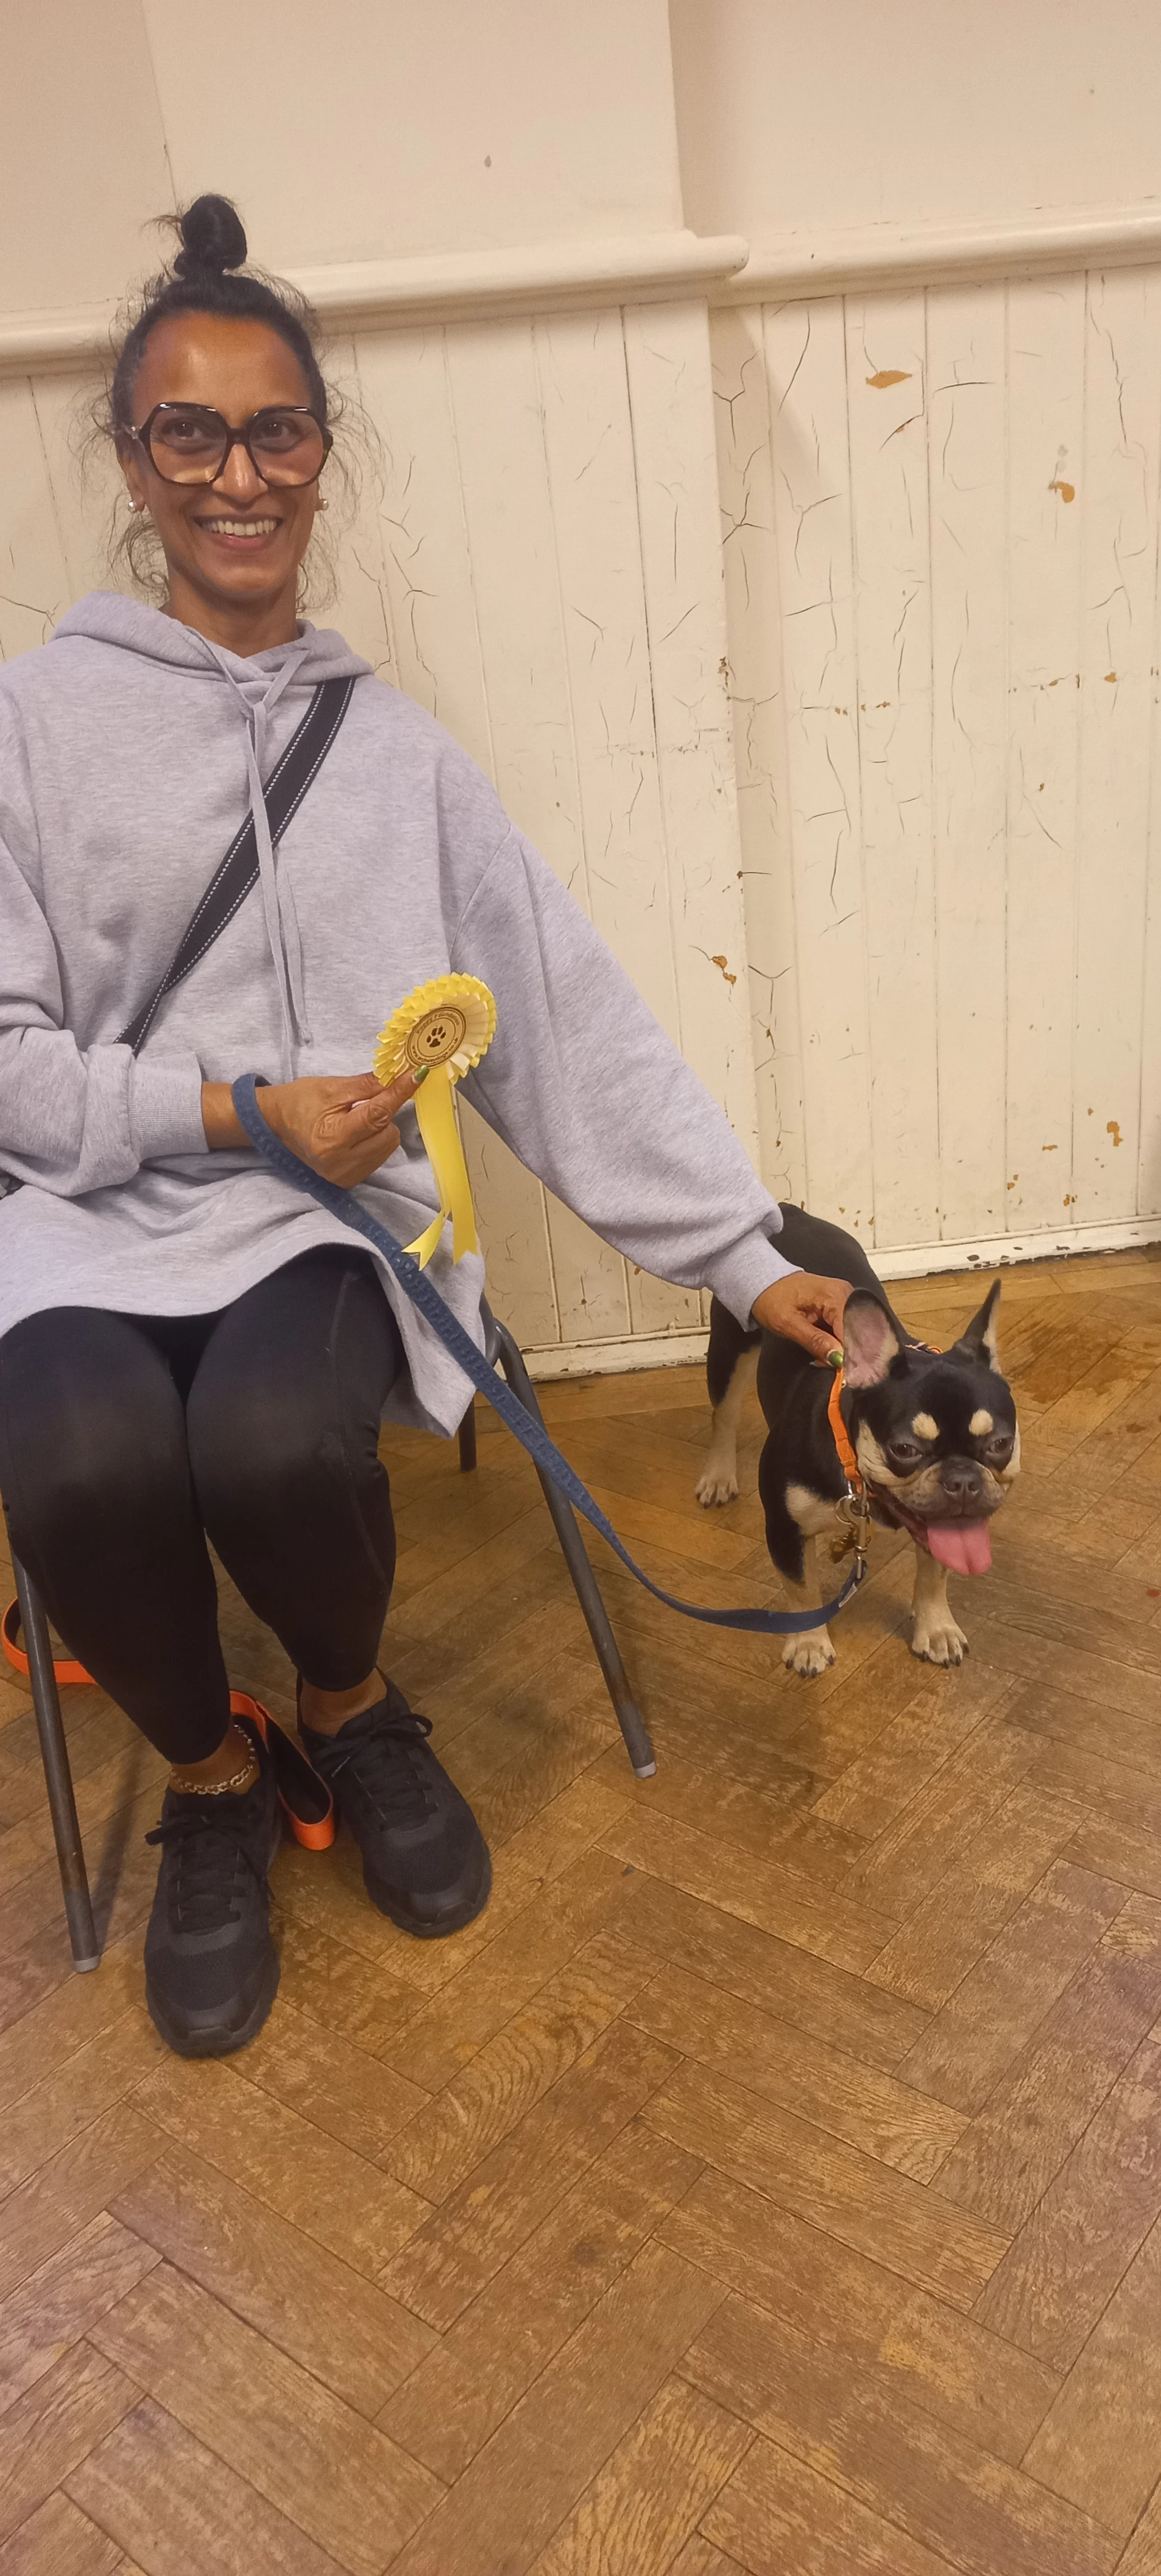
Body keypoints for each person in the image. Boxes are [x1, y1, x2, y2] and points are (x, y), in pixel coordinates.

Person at [0, 196, 850, 2060]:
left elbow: (557, 1012)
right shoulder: (31, 725)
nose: (240, 473)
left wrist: (737, 1252)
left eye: (276, 430)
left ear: (321, 456)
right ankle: (217, 1781)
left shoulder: (393, 752)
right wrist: (223, 1102)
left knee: (279, 1445)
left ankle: (352, 1706)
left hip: (322, 1222)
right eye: (191, 433)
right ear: (135, 465)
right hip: (80, 1208)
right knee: (72, 1472)